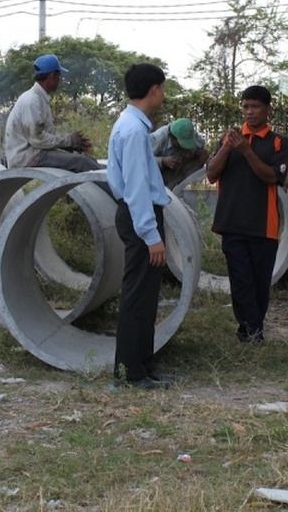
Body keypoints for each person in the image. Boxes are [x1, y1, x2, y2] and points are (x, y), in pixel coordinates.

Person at [206, 85, 288, 343]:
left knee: (259, 281)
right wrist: (228, 148)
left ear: (268, 109)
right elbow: (211, 173)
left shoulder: (278, 142)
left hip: (264, 224)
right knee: (240, 279)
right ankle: (254, 329)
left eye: (255, 107)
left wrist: (246, 151)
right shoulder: (228, 139)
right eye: (245, 107)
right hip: (231, 222)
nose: (249, 112)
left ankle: (249, 327)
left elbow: (272, 177)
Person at [106, 63, 172, 390]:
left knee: (146, 297)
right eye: (163, 88)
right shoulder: (132, 130)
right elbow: (135, 188)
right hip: (138, 217)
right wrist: (151, 235)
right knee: (137, 296)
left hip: (138, 215)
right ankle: (130, 372)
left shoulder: (132, 125)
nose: (164, 94)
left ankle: (143, 366)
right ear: (154, 89)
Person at [4, 54, 101, 172]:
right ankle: (113, 190)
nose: (59, 81)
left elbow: (46, 138)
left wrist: (70, 146)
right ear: (52, 76)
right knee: (82, 162)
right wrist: (69, 140)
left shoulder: (40, 99)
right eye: (59, 76)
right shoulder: (32, 100)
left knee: (86, 160)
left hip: (36, 152)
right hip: (27, 157)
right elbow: (37, 139)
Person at [149, 118, 209, 188]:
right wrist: (163, 161)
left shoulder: (188, 131)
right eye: (181, 143)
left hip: (179, 172)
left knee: (203, 156)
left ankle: (179, 188)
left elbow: (200, 144)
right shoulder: (157, 139)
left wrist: (191, 149)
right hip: (157, 175)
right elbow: (141, 160)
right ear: (170, 136)